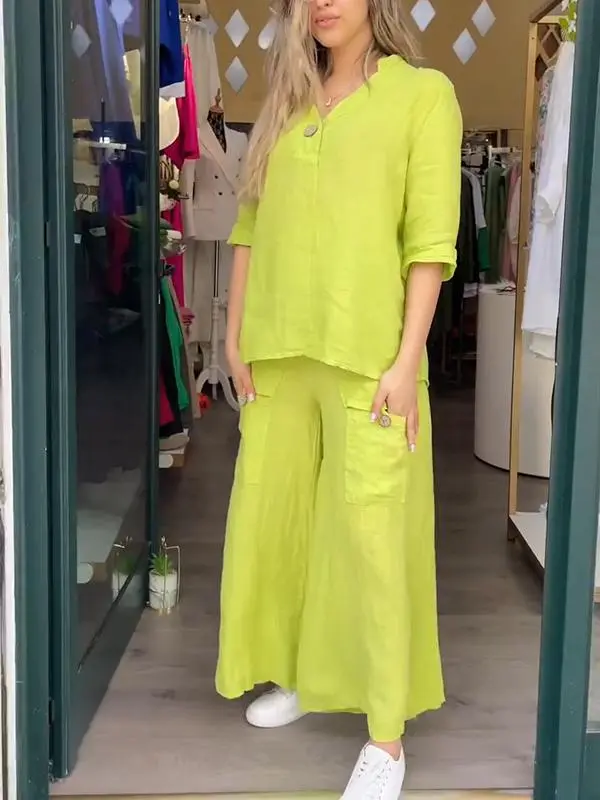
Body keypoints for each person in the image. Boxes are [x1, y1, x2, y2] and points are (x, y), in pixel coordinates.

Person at [215, 0, 462, 796]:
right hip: (279, 352)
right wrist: (233, 333)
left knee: (374, 540)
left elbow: (429, 243)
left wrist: (407, 360)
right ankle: (301, 674)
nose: (323, 3)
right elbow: (249, 226)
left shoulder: (422, 95)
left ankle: (386, 739)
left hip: (369, 357)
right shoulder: (286, 100)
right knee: (280, 524)